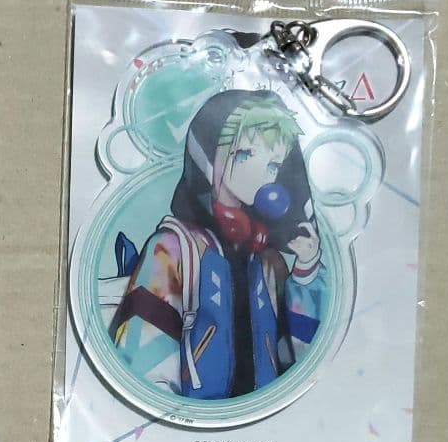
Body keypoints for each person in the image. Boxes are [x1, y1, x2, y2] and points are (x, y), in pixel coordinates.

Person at [109, 90, 326, 399]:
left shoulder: (267, 261)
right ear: (208, 157)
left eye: (273, 165)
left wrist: (306, 273)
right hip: (191, 415)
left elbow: (299, 355)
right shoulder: (172, 249)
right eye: (246, 155)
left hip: (262, 415)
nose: (262, 176)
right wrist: (168, 414)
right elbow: (143, 351)